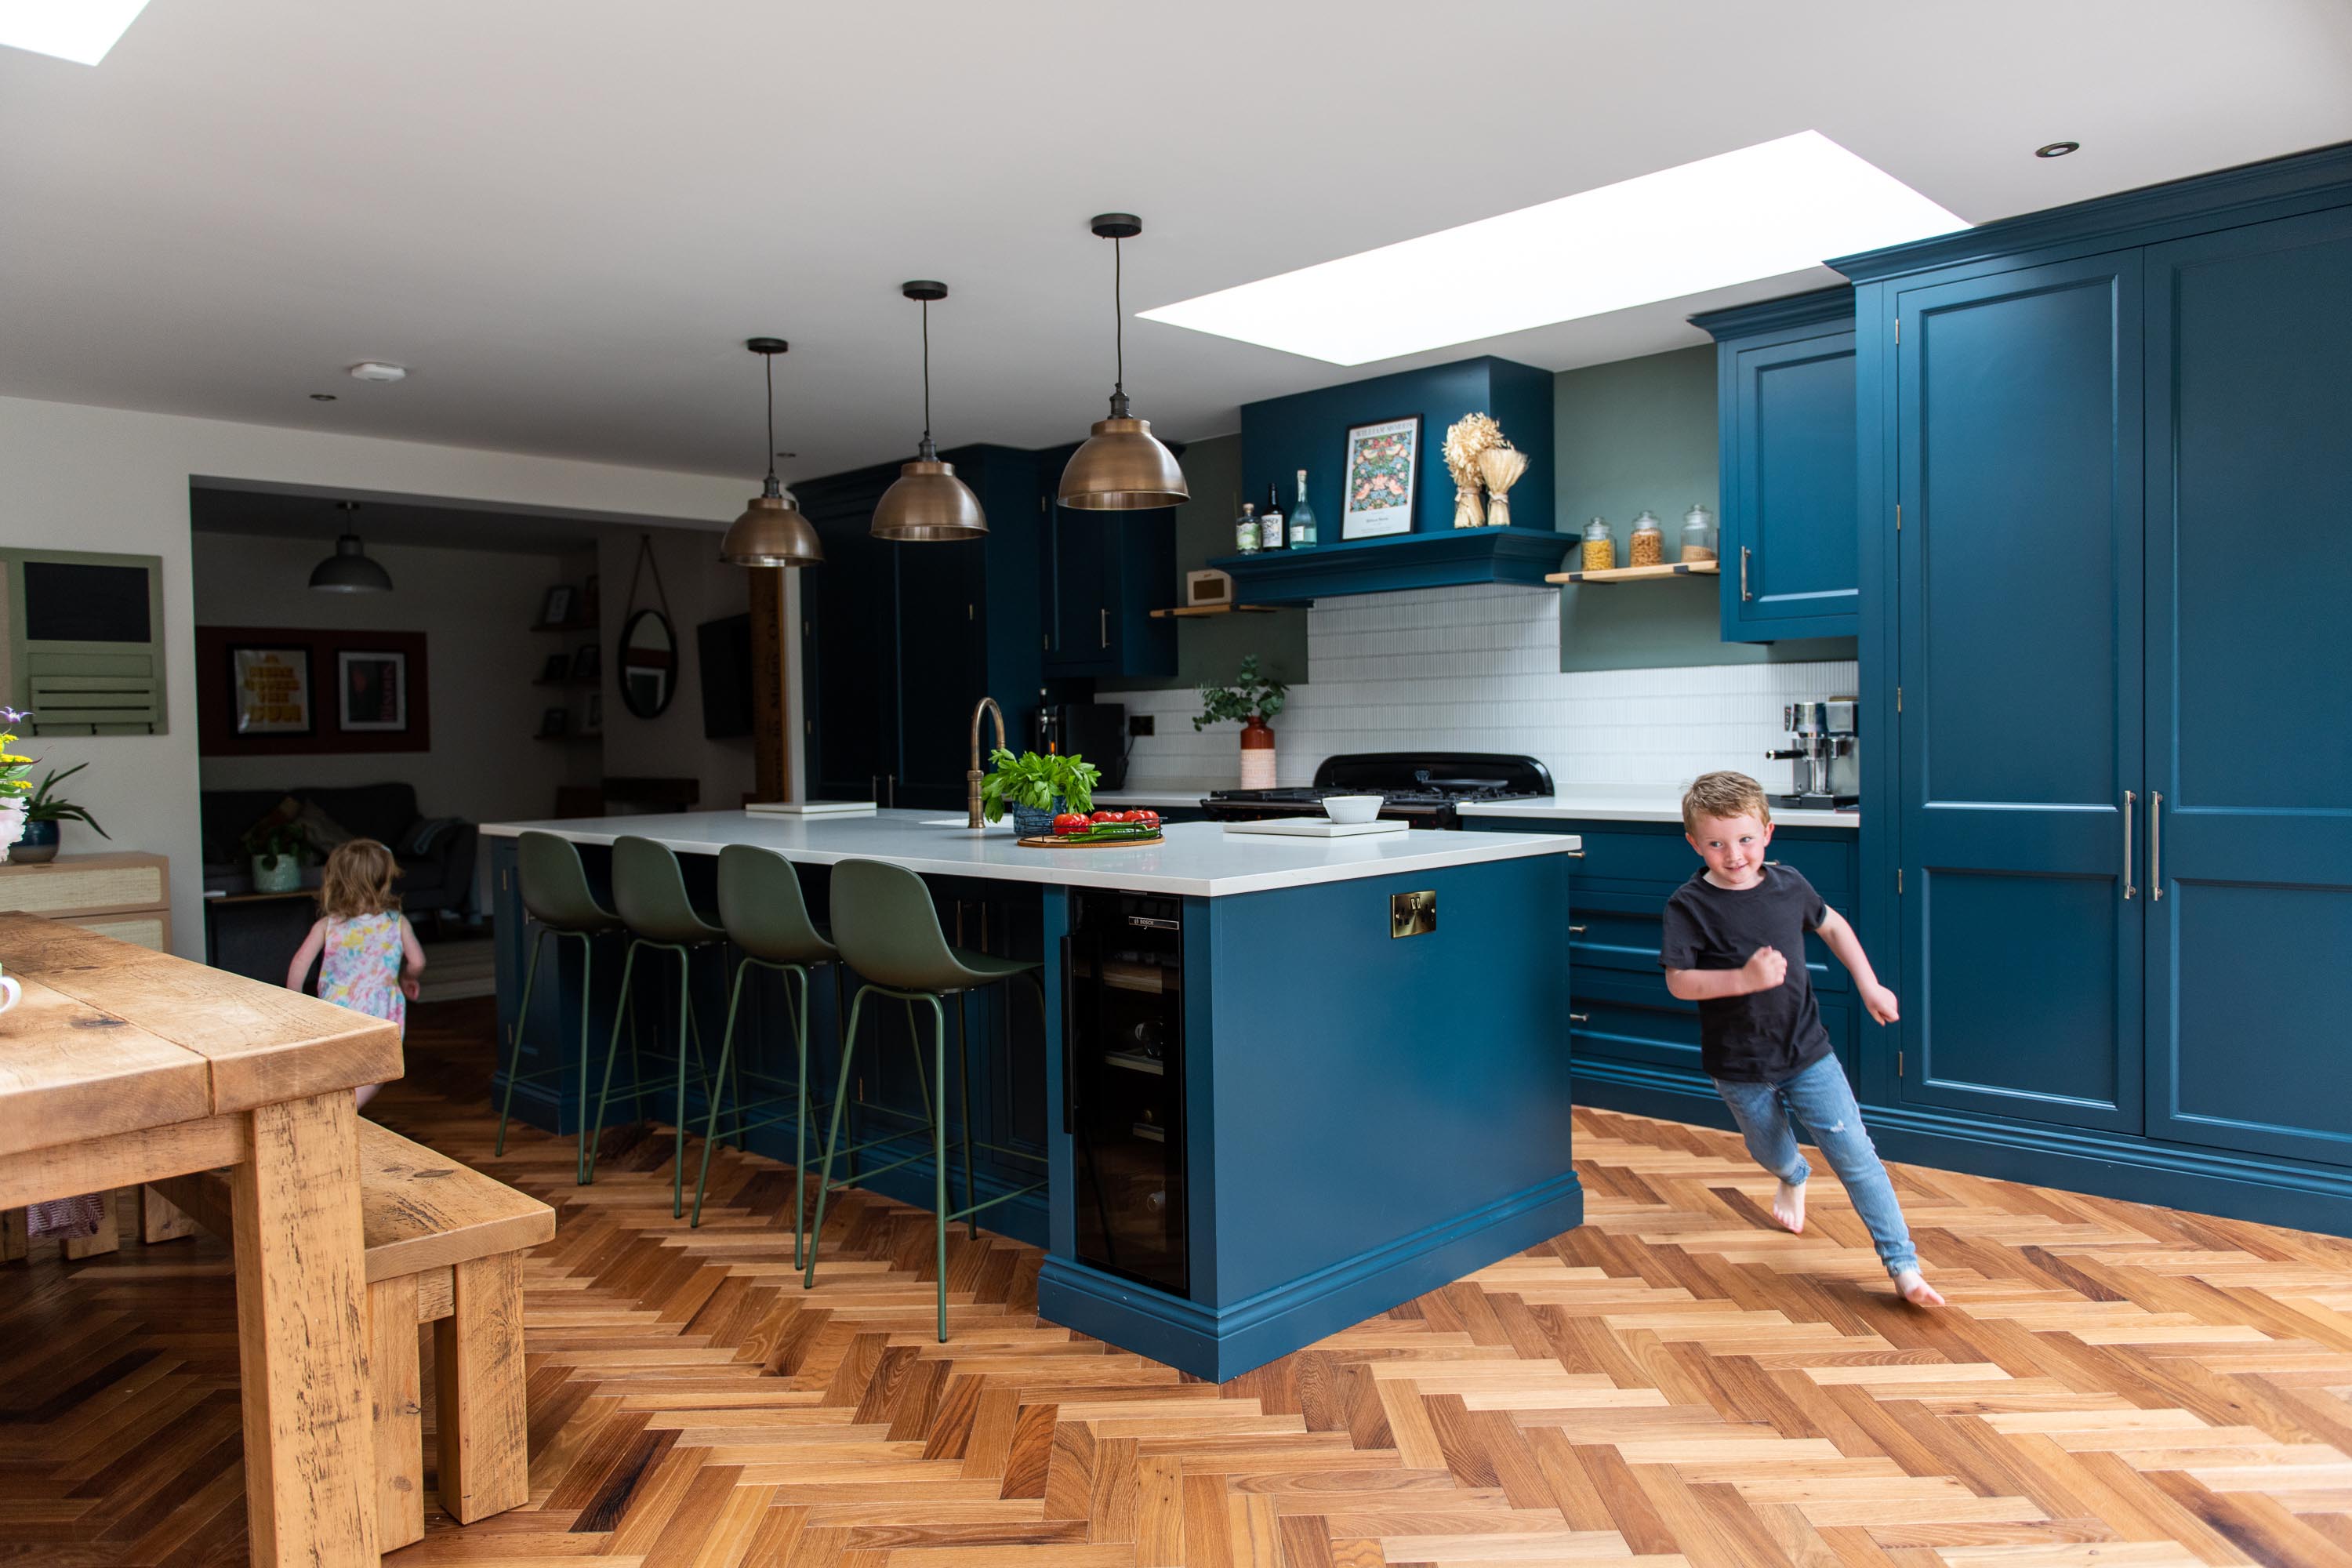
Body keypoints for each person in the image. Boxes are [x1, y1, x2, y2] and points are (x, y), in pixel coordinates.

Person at [1660, 770, 1943, 1307]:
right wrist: (1743, 980)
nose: (1734, 855)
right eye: (1717, 844)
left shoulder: (1790, 885)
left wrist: (1868, 983)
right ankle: (1793, 1173)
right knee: (1768, 1149)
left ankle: (1903, 1265)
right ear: (1695, 843)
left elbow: (1832, 925)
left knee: (1856, 1153)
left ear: (1768, 832)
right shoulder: (1687, 905)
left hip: (1808, 1054)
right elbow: (1678, 981)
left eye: (1745, 839)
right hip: (1739, 1065)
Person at [285, 837, 422, 1110]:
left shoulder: (328, 924)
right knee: (377, 1068)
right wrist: (409, 977)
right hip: (379, 1009)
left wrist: (293, 1001)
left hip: (338, 1007)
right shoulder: (397, 923)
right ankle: (348, 1108)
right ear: (384, 880)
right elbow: (417, 960)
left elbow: (300, 963)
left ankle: (334, 1106)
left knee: (337, 1064)